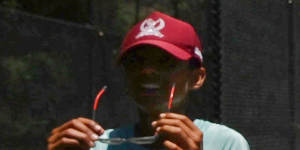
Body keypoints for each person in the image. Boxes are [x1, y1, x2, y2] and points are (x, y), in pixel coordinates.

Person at [47, 11, 250, 150]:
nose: (147, 72)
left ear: (197, 78)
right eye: (135, 62)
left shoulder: (224, 143)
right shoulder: (98, 144)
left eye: (165, 62)